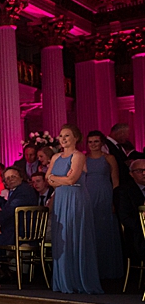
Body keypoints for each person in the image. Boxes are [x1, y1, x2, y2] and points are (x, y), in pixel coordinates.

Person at [46, 124, 103, 294]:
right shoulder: (56, 157)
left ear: (75, 138)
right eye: (61, 136)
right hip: (60, 199)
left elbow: (72, 180)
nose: (63, 139)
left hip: (75, 199)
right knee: (61, 237)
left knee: (74, 236)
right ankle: (63, 280)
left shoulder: (79, 156)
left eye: (67, 136)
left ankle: (78, 279)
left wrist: (55, 178)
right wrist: (58, 178)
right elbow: (47, 179)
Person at [0, 166, 38, 281]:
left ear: (21, 177)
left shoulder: (24, 190)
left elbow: (11, 209)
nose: (10, 180)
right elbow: (10, 207)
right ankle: (0, 268)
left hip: (19, 231)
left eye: (13, 177)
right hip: (16, 228)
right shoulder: (18, 190)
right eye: (7, 178)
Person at [84, 131, 123, 279]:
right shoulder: (84, 158)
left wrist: (114, 200)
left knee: (104, 231)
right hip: (88, 195)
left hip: (104, 196)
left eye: (96, 141)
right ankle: (91, 269)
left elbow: (116, 180)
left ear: (102, 143)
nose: (93, 144)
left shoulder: (109, 158)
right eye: (90, 142)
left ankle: (107, 270)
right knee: (90, 231)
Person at [115, 158, 145, 265]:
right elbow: (125, 218)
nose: (144, 173)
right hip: (137, 236)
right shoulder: (125, 191)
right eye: (139, 171)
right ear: (131, 174)